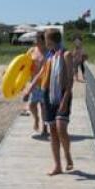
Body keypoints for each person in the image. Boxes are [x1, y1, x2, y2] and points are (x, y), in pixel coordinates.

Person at [25, 29, 74, 175]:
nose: (44, 42)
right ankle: (57, 166)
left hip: (62, 96)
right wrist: (29, 90)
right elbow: (40, 74)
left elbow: (70, 80)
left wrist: (65, 99)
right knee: (53, 132)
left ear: (50, 40)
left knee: (61, 129)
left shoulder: (66, 55)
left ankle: (67, 154)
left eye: (45, 40)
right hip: (49, 95)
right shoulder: (50, 56)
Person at [23, 32, 48, 135]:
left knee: (43, 106)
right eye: (35, 38)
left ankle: (45, 128)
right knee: (32, 105)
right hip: (33, 82)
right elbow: (23, 64)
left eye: (37, 38)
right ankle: (36, 119)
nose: (35, 41)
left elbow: (45, 70)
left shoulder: (48, 52)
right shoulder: (32, 50)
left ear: (43, 40)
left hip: (45, 83)